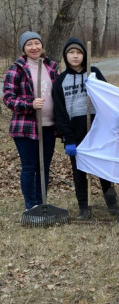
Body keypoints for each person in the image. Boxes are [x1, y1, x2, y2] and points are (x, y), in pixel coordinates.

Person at [53, 37, 119, 219]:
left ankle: (112, 203)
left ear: (84, 55)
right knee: (79, 171)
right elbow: (60, 113)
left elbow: (107, 97)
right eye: (71, 53)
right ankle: (84, 206)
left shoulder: (94, 73)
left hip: (97, 129)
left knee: (103, 167)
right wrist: (69, 139)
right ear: (65, 56)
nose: (75, 56)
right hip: (75, 133)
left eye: (79, 53)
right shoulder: (60, 81)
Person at [3, 31, 58, 210]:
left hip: (48, 126)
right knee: (30, 167)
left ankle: (42, 202)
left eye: (37, 43)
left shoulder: (51, 66)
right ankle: (31, 206)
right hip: (26, 127)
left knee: (44, 166)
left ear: (42, 46)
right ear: (24, 49)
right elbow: (8, 98)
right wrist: (29, 104)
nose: (34, 47)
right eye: (29, 44)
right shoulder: (17, 69)